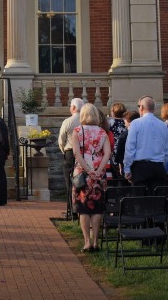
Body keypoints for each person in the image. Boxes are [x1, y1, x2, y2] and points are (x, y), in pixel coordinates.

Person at [71, 103, 111, 252]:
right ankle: (95, 242)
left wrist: (87, 170)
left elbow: (76, 153)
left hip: (82, 172)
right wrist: (99, 170)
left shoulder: (77, 131)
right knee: (97, 208)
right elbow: (107, 153)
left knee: (84, 208)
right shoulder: (102, 132)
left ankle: (87, 241)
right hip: (98, 172)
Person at [123, 96, 168, 190]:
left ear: (141, 108)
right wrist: (162, 164)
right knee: (158, 200)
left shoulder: (135, 124)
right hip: (158, 166)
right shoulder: (163, 125)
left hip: (140, 167)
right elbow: (166, 150)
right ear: (154, 108)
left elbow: (130, 148)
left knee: (141, 201)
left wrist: (127, 168)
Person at [58, 97, 85, 215]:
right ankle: (82, 208)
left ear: (73, 108)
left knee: (69, 182)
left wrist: (64, 150)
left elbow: (61, 140)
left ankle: (71, 210)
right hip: (84, 154)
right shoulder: (86, 120)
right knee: (83, 181)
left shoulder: (67, 122)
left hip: (70, 152)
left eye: (70, 106)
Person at [108, 103, 127, 184]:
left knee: (114, 174)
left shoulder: (110, 122)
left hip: (113, 149)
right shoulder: (126, 122)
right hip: (124, 150)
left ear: (113, 112)